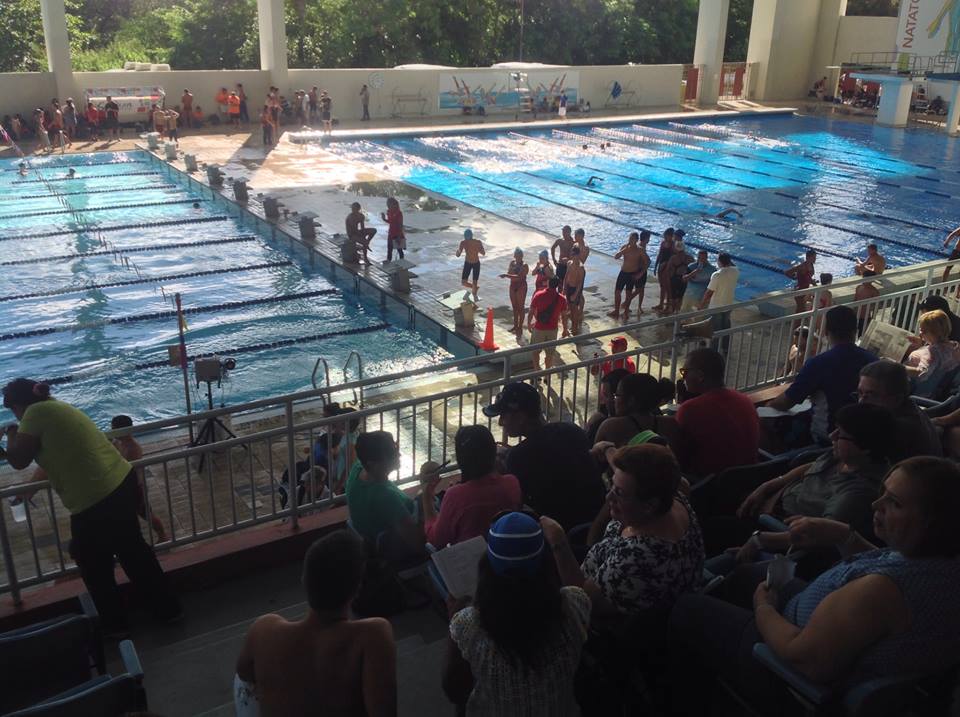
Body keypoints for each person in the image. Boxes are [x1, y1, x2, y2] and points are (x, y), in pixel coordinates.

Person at [669, 457, 960, 714]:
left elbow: (803, 658)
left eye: (894, 502)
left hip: (786, 676)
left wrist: (763, 607)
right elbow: (884, 563)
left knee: (685, 608)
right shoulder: (936, 559)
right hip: (814, 619)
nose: (876, 504)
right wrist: (845, 537)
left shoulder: (883, 592)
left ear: (932, 523)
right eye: (882, 493)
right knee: (746, 575)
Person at [1, 379, 181, 632]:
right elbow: (49, 458)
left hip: (96, 496)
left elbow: (19, 459)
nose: (16, 416)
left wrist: (9, 433)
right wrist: (28, 488)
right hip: (118, 482)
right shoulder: (54, 408)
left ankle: (116, 626)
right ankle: (169, 610)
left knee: (94, 564)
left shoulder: (35, 413)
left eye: (13, 410)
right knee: (133, 552)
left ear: (19, 405)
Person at [442, 512, 590, 716]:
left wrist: (453, 620)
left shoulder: (467, 624)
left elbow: (455, 691)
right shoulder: (575, 603)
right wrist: (559, 542)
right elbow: (577, 587)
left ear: (486, 566)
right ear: (546, 563)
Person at [236, 530, 396, 717]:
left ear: (304, 581)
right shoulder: (372, 636)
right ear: (357, 589)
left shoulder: (263, 630)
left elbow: (244, 673)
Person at [544, 444, 704, 618]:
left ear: (649, 505)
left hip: (597, 608)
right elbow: (662, 481)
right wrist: (609, 450)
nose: (609, 496)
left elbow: (583, 601)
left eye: (619, 492)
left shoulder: (635, 559)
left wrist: (557, 540)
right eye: (611, 485)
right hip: (603, 559)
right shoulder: (674, 498)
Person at [736, 402, 895, 547]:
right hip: (774, 501)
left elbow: (818, 535)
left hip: (776, 526)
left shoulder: (857, 493)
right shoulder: (845, 456)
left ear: (865, 447)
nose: (832, 436)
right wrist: (769, 487)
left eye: (841, 435)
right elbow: (813, 467)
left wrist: (759, 539)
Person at [485, 382, 606, 531]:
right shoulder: (572, 430)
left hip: (560, 532)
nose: (500, 422)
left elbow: (517, 501)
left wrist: (503, 468)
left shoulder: (519, 457)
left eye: (503, 415)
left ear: (521, 416)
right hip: (598, 521)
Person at [768, 305, 877, 444]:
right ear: (855, 331)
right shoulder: (872, 360)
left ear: (826, 332)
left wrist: (769, 404)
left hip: (826, 437)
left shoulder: (818, 363)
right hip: (864, 434)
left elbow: (786, 402)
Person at [420, 426, 521, 548]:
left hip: (470, 561)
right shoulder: (512, 483)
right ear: (493, 452)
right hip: (502, 552)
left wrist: (426, 497)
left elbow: (436, 540)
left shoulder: (456, 496)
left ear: (461, 459)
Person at [675, 347, 759, 478]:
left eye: (684, 372)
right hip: (748, 479)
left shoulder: (689, 410)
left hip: (709, 485)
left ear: (700, 376)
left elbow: (677, 456)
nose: (683, 377)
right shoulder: (744, 400)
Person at [345, 431, 424, 561]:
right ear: (373, 464)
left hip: (371, 536)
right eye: (392, 454)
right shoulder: (385, 496)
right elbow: (418, 544)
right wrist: (424, 501)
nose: (398, 454)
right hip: (397, 546)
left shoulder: (358, 468)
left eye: (396, 449)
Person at [857, 360, 942, 461]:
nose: (861, 401)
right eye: (860, 393)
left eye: (872, 395)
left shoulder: (895, 430)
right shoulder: (909, 408)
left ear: (897, 398)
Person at [110, 415, 167, 542]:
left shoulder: (133, 449)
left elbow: (133, 472)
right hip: (124, 486)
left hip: (135, 487)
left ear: (124, 430)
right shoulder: (118, 443)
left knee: (147, 514)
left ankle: (163, 535)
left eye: (114, 429)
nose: (112, 432)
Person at [594, 373, 679, 451]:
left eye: (617, 395)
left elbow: (594, 459)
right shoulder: (671, 424)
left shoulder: (610, 426)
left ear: (631, 401)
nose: (615, 400)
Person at [904, 309, 960, 398]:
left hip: (917, 394)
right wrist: (922, 345)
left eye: (924, 331)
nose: (920, 333)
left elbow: (922, 374)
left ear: (936, 332)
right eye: (920, 329)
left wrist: (899, 367)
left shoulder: (931, 354)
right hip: (943, 391)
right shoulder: (955, 346)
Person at [527, 277, 568, 369]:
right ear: (557, 285)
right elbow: (564, 316)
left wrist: (529, 323)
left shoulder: (538, 295)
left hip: (539, 328)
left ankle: (537, 372)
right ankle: (547, 375)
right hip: (553, 329)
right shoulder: (562, 299)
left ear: (548, 283)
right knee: (549, 354)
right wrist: (565, 329)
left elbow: (531, 311)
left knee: (535, 352)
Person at [584, 368, 631, 446]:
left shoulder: (605, 424)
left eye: (606, 395)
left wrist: (591, 426)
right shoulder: (653, 416)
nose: (602, 400)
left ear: (618, 398)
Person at [698, 252, 739, 337]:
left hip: (716, 307)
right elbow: (732, 265)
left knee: (715, 331)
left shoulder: (717, 275)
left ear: (719, 261)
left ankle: (715, 349)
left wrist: (701, 304)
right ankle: (725, 349)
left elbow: (709, 292)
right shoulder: (735, 271)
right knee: (726, 329)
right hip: (728, 305)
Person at [611, 232, 645, 319]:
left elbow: (647, 262)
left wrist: (640, 273)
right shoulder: (624, 247)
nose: (630, 241)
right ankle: (617, 310)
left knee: (628, 293)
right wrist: (624, 250)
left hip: (632, 274)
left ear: (636, 240)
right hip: (623, 272)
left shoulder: (640, 250)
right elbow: (616, 257)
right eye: (630, 239)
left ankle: (626, 312)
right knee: (617, 292)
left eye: (633, 239)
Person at [500, 248, 529, 334]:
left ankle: (520, 327)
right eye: (516, 255)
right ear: (514, 256)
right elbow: (510, 272)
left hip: (521, 286)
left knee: (521, 307)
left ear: (522, 256)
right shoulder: (512, 263)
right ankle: (515, 326)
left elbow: (518, 277)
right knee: (514, 307)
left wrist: (507, 275)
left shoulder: (525, 265)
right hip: (513, 286)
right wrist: (509, 274)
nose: (518, 257)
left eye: (519, 255)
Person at [680, 249, 715, 313]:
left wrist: (708, 298)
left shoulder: (712, 270)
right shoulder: (691, 266)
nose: (700, 260)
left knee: (698, 316)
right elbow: (684, 279)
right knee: (683, 314)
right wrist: (695, 272)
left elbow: (713, 285)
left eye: (703, 258)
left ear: (706, 258)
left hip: (701, 298)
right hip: (689, 296)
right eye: (699, 257)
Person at [562, 246, 586, 335]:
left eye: (575, 255)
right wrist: (564, 288)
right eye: (572, 254)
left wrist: (575, 294)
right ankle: (573, 325)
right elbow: (566, 276)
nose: (574, 256)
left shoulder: (581, 267)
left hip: (576, 289)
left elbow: (580, 283)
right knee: (570, 309)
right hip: (569, 287)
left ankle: (575, 328)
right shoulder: (569, 263)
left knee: (574, 310)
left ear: (579, 255)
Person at [666, 239, 693, 315]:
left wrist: (668, 280)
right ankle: (678, 312)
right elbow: (694, 269)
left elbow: (668, 270)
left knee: (673, 297)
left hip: (674, 279)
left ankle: (673, 311)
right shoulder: (690, 258)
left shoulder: (673, 258)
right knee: (681, 297)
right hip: (685, 280)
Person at [785, 249, 817, 313]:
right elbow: (787, 272)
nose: (815, 259)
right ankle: (796, 322)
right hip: (800, 291)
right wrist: (795, 278)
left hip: (805, 290)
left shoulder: (811, 265)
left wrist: (812, 282)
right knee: (800, 310)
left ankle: (797, 322)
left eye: (815, 257)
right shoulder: (802, 266)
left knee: (802, 310)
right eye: (813, 257)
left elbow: (807, 277)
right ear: (808, 257)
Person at [457, 228, 484, 301]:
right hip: (468, 263)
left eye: (467, 238)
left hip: (476, 263)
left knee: (475, 282)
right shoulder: (463, 243)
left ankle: (475, 295)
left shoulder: (477, 242)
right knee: (464, 282)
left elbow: (483, 253)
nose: (467, 240)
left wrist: (479, 248)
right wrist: (458, 251)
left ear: (471, 236)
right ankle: (475, 288)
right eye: (466, 238)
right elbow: (458, 254)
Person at [380, 196, 405, 262]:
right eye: (387, 205)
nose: (388, 206)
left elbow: (400, 225)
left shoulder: (399, 213)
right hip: (391, 232)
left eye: (389, 205)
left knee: (399, 250)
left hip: (397, 233)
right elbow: (390, 221)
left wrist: (399, 237)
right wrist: (384, 219)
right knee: (389, 248)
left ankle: (402, 261)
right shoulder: (389, 212)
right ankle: (389, 260)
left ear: (394, 205)